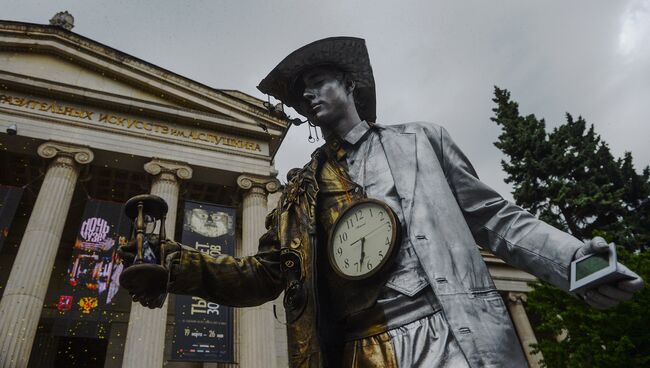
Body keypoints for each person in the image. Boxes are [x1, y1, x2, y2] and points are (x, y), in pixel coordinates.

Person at [119, 37, 644, 367]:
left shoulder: (420, 142)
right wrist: (177, 267)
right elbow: (267, 276)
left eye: (318, 82)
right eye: (302, 92)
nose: (310, 96)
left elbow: (495, 219)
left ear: (350, 84)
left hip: (450, 330)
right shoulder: (300, 190)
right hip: (358, 348)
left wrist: (577, 262)